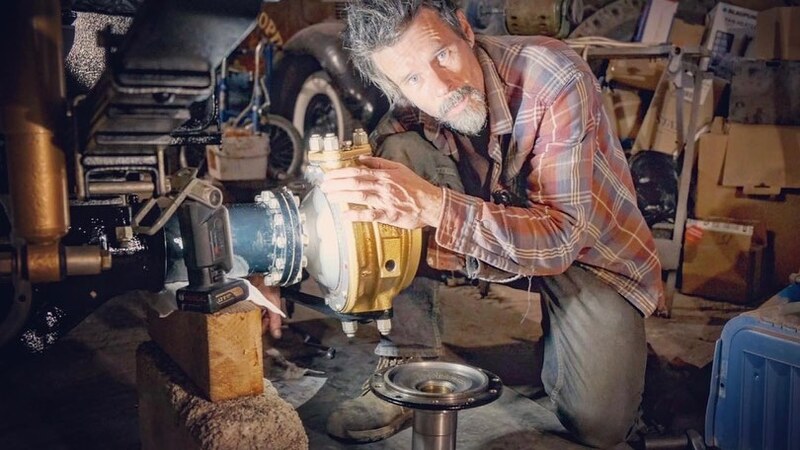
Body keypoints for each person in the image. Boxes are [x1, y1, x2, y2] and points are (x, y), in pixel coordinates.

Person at [265, 1, 664, 447]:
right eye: (413, 78)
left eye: (443, 55)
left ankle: (614, 349)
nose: (441, 85)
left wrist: (434, 207)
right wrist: (280, 257)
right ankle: (404, 365)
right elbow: (350, 200)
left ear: (466, 32)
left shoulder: (554, 77)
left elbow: (559, 243)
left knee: (598, 425)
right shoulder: (409, 112)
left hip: (587, 256)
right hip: (499, 248)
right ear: (396, 88)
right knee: (392, 166)